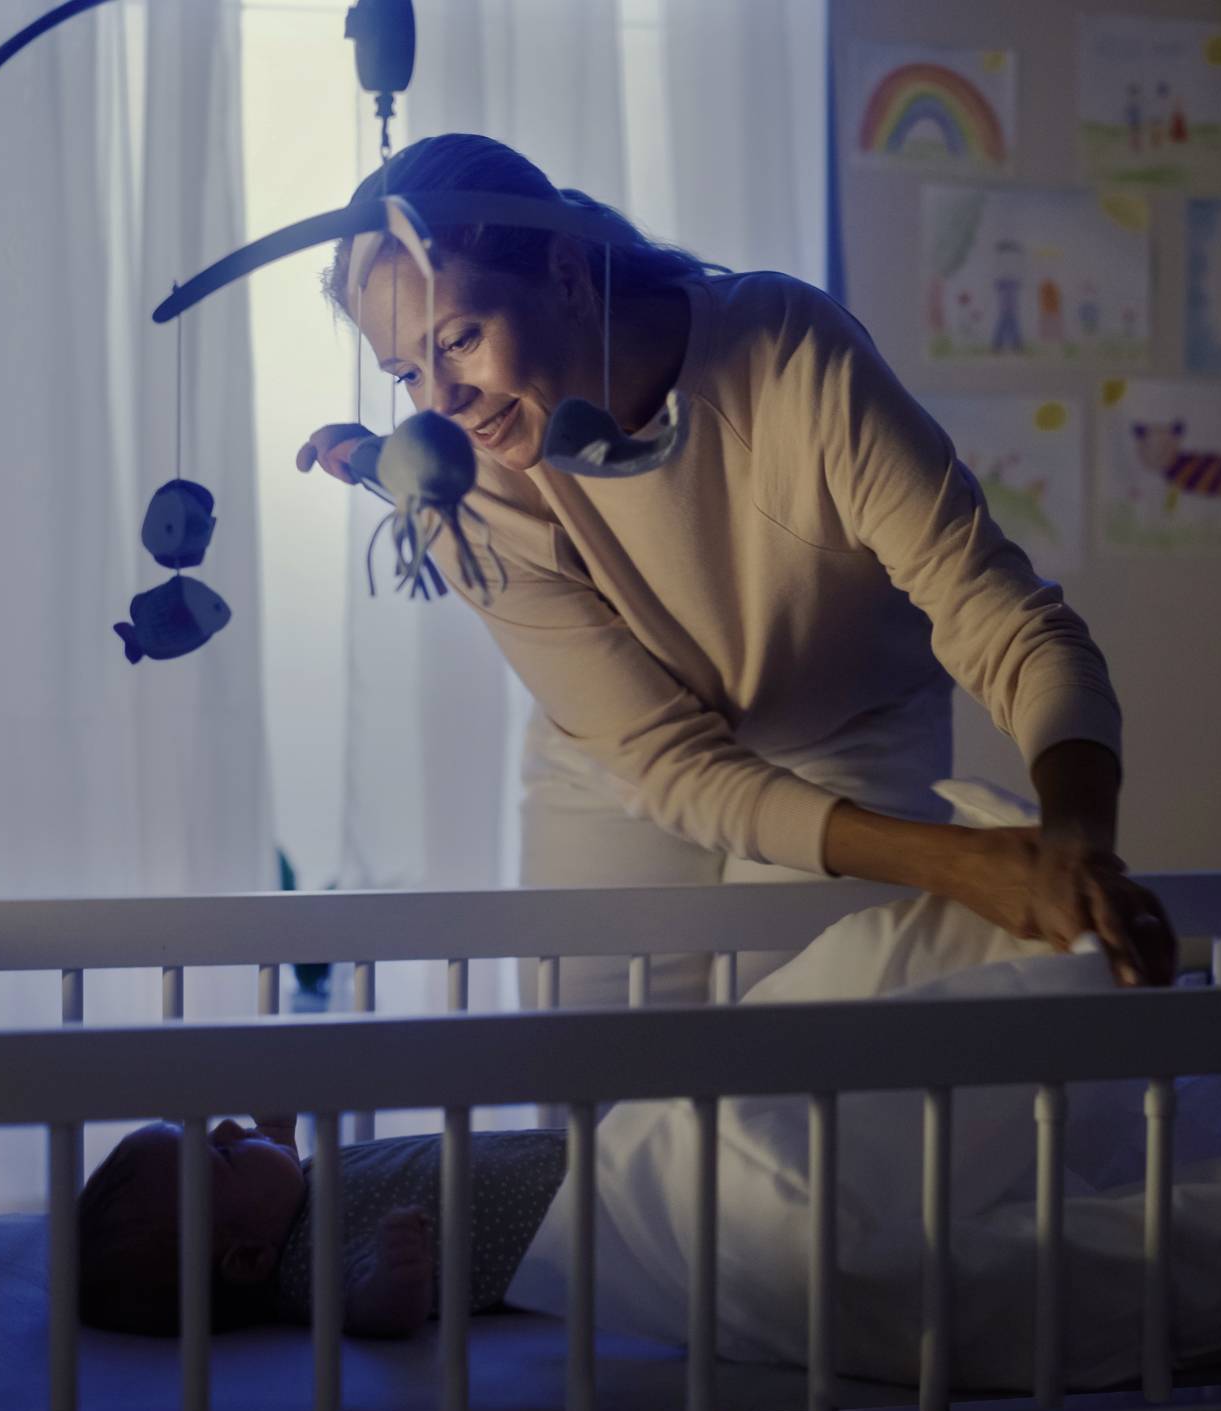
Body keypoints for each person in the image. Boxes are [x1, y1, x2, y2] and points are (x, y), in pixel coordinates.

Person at [296, 134, 1176, 1003]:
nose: (441, 403)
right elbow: (670, 762)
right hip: (625, 760)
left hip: (848, 728)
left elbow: (1008, 623)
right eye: (407, 372)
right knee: (598, 1084)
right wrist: (957, 862)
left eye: (459, 340)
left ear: (564, 273)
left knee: (794, 1079)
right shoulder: (457, 479)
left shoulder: (789, 361)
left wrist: (1073, 845)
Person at [75, 1115, 566, 1338]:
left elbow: (276, 1170)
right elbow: (371, 1309)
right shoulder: (308, 1268)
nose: (226, 1127)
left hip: (554, 1159)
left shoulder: (286, 1203)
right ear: (248, 1258)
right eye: (222, 1155)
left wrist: (274, 1132)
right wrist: (396, 1276)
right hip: (567, 1228)